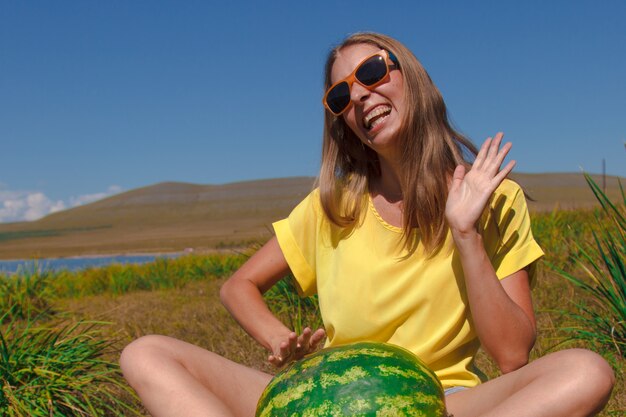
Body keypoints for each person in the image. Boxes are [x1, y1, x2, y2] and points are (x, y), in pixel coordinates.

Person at [120, 32, 615, 417]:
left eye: (373, 71)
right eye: (340, 94)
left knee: (585, 371)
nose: (359, 95)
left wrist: (466, 233)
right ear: (341, 119)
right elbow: (238, 286)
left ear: (411, 76)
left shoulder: (494, 199)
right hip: (327, 397)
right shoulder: (332, 204)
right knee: (147, 354)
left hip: (442, 401)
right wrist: (278, 339)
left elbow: (512, 356)